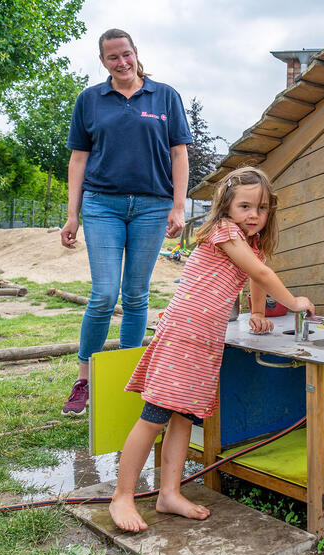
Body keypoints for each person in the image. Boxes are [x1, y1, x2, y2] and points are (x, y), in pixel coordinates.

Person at [109, 167, 315, 532]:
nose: (254, 215)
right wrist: (295, 302)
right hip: (185, 333)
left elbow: (256, 274)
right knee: (154, 415)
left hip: (204, 340)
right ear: (226, 208)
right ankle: (122, 496)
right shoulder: (224, 232)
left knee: (184, 416)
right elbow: (264, 276)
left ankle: (169, 493)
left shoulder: (249, 246)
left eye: (262, 208)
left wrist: (255, 311)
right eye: (246, 206)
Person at [60, 28, 192, 416]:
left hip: (153, 206)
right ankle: (84, 378)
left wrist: (178, 206)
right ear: (103, 62)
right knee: (104, 294)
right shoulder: (89, 100)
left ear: (136, 53)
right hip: (102, 206)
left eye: (126, 54)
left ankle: (131, 377)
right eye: (112, 57)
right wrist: (73, 215)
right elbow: (78, 160)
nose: (121, 62)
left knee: (136, 295)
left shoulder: (165, 96)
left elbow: (179, 154)